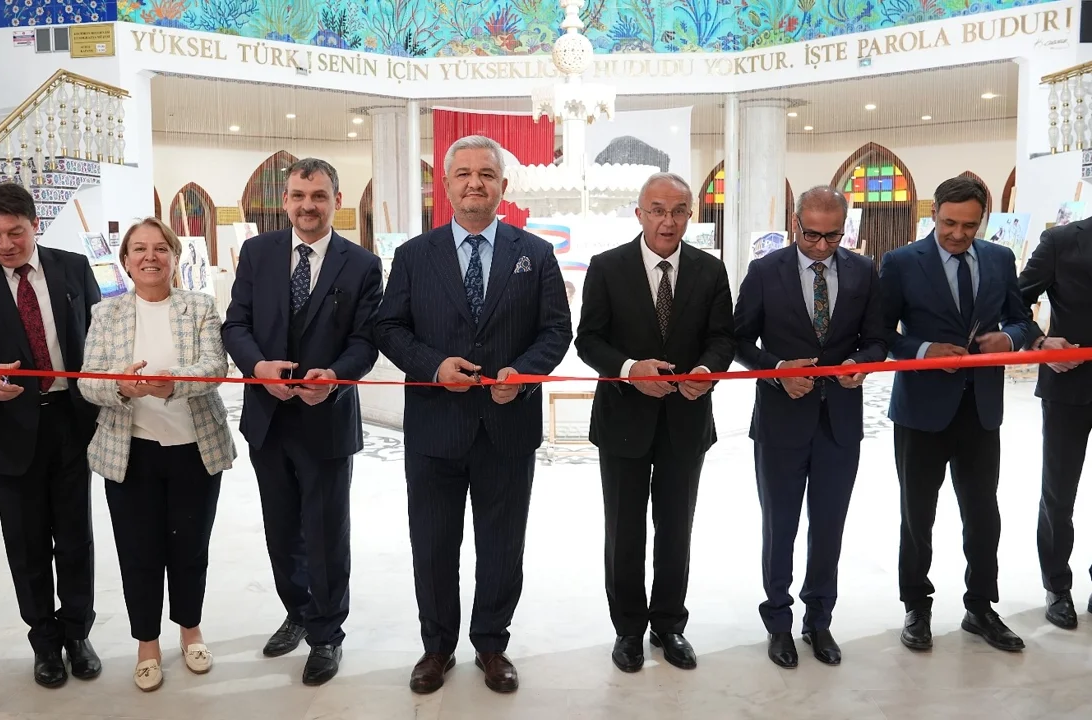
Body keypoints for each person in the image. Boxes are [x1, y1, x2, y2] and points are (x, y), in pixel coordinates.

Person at [376, 135, 572, 695]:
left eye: (486, 174)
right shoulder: (415, 255)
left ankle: (491, 644)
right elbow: (388, 327)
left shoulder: (535, 255)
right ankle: (437, 647)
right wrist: (433, 365)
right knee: (433, 545)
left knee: (502, 546)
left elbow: (556, 330)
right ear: (445, 186)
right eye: (463, 174)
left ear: (502, 186)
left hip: (507, 428)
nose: (474, 183)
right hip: (435, 427)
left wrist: (523, 374)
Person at [222, 158, 382, 686]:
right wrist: (256, 368)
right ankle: (297, 609)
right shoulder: (257, 253)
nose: (307, 206)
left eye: (318, 196)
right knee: (281, 527)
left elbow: (366, 340)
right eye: (298, 196)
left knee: (325, 532)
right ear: (285, 200)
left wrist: (334, 377)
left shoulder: (361, 264)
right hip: (268, 417)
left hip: (326, 418)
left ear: (336, 200)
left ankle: (327, 633)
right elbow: (236, 324)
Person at [574, 172, 734, 673]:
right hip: (624, 420)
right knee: (624, 530)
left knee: (676, 529)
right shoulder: (607, 267)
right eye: (658, 210)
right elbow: (588, 340)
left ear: (691, 215)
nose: (668, 221)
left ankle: (669, 625)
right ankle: (628, 629)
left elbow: (723, 338)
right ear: (639, 214)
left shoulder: (710, 270)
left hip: (686, 418)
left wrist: (707, 371)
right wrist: (628, 370)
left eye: (678, 210)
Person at [0, 182, 104, 687]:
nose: (5, 244)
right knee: (26, 541)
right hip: (9, 429)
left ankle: (77, 633)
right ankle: (45, 642)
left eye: (15, 232)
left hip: (71, 420)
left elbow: (98, 336)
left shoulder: (72, 268)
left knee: (75, 537)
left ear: (35, 224)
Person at [732, 187, 886, 668]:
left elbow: (876, 338)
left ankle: (819, 620)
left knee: (829, 527)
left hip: (839, 421)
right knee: (780, 527)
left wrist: (860, 363)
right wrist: (777, 370)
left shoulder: (863, 270)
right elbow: (739, 340)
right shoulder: (764, 271)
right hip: (781, 421)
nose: (821, 246)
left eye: (833, 236)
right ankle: (778, 621)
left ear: (845, 228)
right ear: (795, 224)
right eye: (812, 235)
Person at [79, 217, 236, 691]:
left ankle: (190, 631)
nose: (150, 257)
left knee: (190, 548)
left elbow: (215, 366)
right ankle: (146, 643)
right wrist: (120, 387)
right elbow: (88, 380)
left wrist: (175, 383)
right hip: (131, 453)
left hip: (194, 449)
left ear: (175, 257)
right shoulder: (106, 313)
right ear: (125, 261)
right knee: (138, 552)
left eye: (161, 248)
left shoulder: (200, 306)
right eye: (139, 249)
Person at [880, 175, 1031, 653]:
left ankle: (981, 607)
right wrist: (924, 350)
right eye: (949, 223)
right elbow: (880, 333)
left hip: (981, 409)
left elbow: (1022, 320)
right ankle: (916, 606)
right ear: (933, 213)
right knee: (916, 515)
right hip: (921, 411)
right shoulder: (901, 262)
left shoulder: (1000, 259)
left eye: (969, 225)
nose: (958, 234)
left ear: (982, 220)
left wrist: (1009, 338)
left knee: (983, 513)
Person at [1017, 215, 1092, 629]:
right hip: (1069, 385)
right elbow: (1016, 300)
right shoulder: (1061, 240)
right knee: (1059, 493)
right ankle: (1057, 586)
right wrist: (1040, 341)